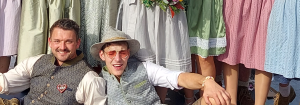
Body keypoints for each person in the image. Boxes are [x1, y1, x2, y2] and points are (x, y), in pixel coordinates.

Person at [0, 19, 106, 105]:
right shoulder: (38, 61)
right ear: (50, 41)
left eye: (68, 42)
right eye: (57, 41)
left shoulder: (89, 79)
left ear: (78, 43)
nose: (62, 47)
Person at [93, 26, 230, 105]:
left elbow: (178, 77)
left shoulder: (143, 68)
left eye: (122, 53)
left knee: (216, 98)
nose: (117, 59)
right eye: (111, 53)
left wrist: (206, 81)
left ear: (128, 53)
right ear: (102, 55)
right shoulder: (97, 82)